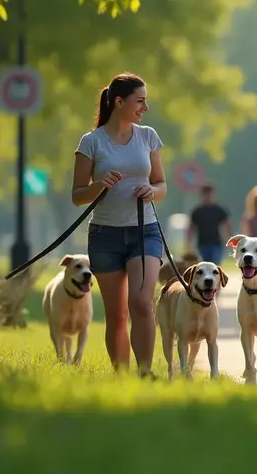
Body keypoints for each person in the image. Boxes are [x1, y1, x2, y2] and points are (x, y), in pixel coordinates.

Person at [71, 72, 166, 379]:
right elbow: (77, 196)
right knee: (116, 314)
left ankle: (144, 372)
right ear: (120, 102)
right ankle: (122, 377)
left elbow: (161, 183)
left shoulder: (148, 136)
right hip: (105, 236)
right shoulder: (91, 142)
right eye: (140, 102)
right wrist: (99, 184)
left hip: (144, 230)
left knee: (140, 302)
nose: (145, 109)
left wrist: (153, 191)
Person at [187, 183, 231, 265]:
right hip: (203, 244)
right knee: (204, 265)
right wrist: (189, 243)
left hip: (216, 243)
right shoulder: (197, 211)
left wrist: (228, 238)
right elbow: (191, 227)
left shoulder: (218, 210)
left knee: (216, 266)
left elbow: (227, 223)